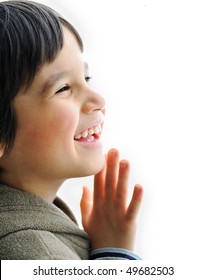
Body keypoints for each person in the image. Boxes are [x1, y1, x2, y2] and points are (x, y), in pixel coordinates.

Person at [0, 0, 143, 260]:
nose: (98, 100)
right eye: (63, 88)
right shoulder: (34, 251)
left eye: (86, 78)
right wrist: (115, 255)